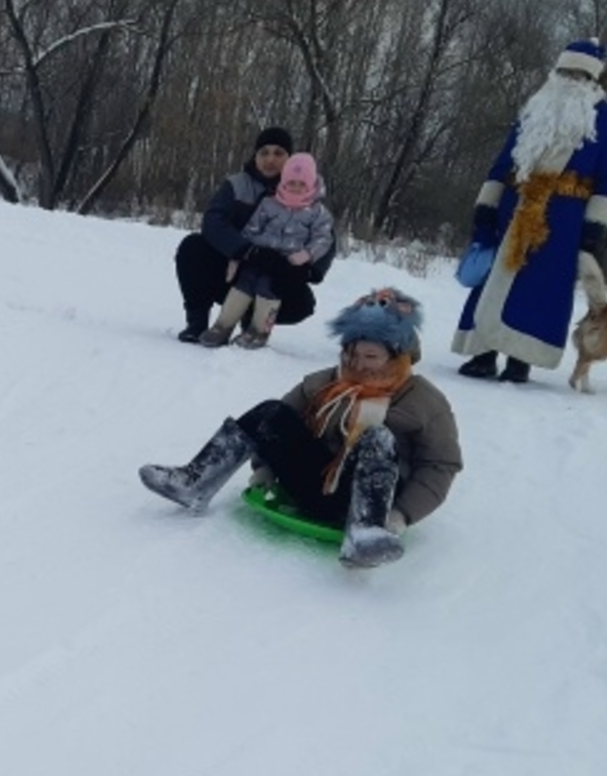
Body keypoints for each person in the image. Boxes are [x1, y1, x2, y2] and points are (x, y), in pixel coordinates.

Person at [139, 288, 462, 569]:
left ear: (398, 356)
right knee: (270, 411)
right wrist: (266, 466)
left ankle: (365, 536)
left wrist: (402, 514)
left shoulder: (423, 400)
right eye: (351, 353)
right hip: (314, 485)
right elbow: (282, 422)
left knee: (376, 436)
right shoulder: (327, 381)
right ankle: (195, 482)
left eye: (371, 356)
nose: (358, 364)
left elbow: (440, 465)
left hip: (374, 502)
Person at [453, 38, 607, 383]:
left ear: (592, 80)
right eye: (564, 71)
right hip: (513, 207)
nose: (568, 79)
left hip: (562, 218)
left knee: (541, 288)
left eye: (577, 74)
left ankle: (521, 358)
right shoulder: (534, 110)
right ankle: (484, 353)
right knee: (492, 281)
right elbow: (504, 161)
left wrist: (594, 227)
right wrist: (487, 204)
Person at [174, 126, 334, 343]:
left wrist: (306, 270)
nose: (270, 159)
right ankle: (198, 324)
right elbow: (213, 222)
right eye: (264, 152)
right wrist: (245, 251)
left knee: (302, 304)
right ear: (255, 155)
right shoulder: (237, 185)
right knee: (192, 247)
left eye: (278, 153)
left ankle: (253, 326)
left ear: (290, 158)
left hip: (280, 272)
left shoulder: (307, 189)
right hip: (234, 268)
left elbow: (326, 238)